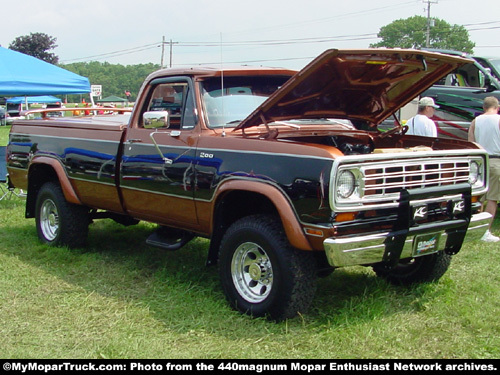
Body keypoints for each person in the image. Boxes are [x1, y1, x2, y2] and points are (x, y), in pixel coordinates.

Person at [468, 96, 500, 242]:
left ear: (483, 107)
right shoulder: (498, 120)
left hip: (479, 162)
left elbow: (471, 142)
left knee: (479, 197)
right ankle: (485, 232)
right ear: (497, 107)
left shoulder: (476, 121)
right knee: (493, 198)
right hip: (495, 160)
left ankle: (474, 229)